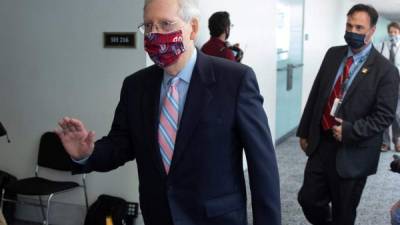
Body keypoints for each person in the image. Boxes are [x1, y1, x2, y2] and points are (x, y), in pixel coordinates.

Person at [55, 0, 281, 225]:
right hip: (159, 215)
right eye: (149, 25)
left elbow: (262, 166)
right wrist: (86, 153)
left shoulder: (235, 80)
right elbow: (120, 145)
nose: (155, 33)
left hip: (215, 218)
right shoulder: (135, 86)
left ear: (192, 28)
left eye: (165, 24)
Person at [296, 4, 399, 225]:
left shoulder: (386, 71)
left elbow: (385, 116)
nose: (352, 31)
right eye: (349, 25)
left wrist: (351, 131)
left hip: (354, 152)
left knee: (344, 212)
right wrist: (304, 132)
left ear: (371, 31)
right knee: (308, 199)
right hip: (322, 143)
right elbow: (317, 94)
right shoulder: (333, 54)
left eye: (359, 28)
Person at [377, 21, 400, 152]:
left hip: (399, 84)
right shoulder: (381, 46)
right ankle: (384, 142)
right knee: (383, 112)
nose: (393, 34)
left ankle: (397, 141)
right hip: (384, 84)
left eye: (395, 32)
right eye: (391, 32)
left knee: (397, 114)